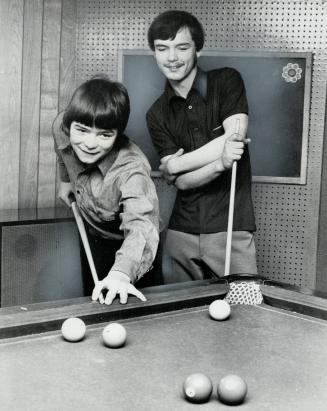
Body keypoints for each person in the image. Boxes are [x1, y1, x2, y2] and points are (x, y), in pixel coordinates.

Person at [146, 10, 257, 283]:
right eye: (162, 49)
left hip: (230, 227)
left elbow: (234, 137)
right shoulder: (156, 113)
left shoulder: (227, 80)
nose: (172, 58)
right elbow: (181, 184)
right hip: (180, 232)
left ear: (198, 49)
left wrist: (175, 165)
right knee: (179, 314)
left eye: (182, 47)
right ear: (154, 53)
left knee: (245, 313)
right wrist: (219, 162)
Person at [52, 75, 159, 304]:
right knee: (92, 305)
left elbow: (141, 227)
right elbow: (62, 150)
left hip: (132, 251)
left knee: (131, 317)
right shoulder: (62, 126)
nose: (90, 144)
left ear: (117, 134)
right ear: (69, 125)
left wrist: (121, 273)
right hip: (92, 240)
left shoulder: (132, 169)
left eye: (104, 135)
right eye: (81, 131)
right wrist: (65, 180)